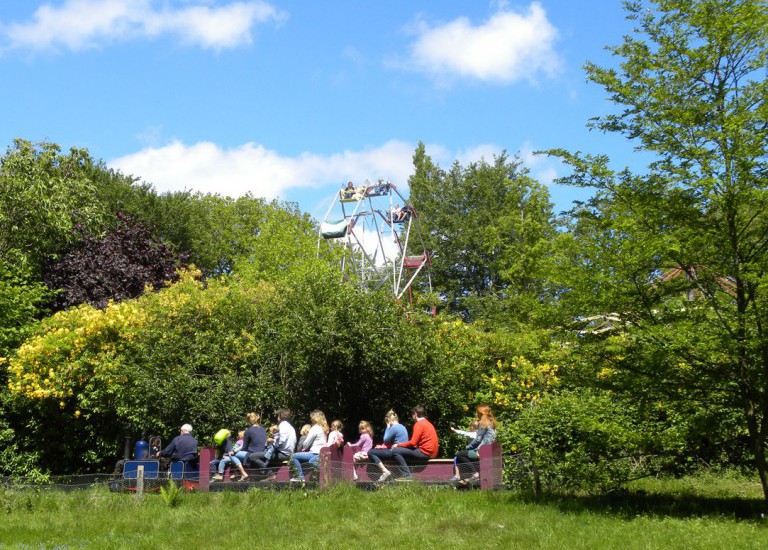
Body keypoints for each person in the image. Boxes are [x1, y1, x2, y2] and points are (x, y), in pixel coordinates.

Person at [385, 405, 439, 481]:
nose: (412, 417)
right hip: (431, 453)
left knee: (396, 451)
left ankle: (407, 475)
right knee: (405, 449)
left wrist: (397, 445)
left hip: (424, 453)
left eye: (412, 415)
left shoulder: (419, 424)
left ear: (415, 414)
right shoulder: (428, 423)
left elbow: (413, 443)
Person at [453, 405, 497, 484]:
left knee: (460, 454)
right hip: (490, 451)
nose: (477, 415)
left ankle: (474, 474)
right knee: (465, 453)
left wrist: (468, 447)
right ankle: (469, 478)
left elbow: (478, 439)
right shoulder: (492, 423)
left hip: (482, 452)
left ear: (481, 413)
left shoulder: (483, 423)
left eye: (477, 413)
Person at [367, 410, 410, 481]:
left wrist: (387, 426)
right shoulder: (403, 427)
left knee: (371, 452)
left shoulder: (394, 427)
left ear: (388, 420)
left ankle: (385, 471)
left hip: (395, 452)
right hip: (403, 451)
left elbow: (385, 439)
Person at [291, 410, 328, 483]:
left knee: (293, 456)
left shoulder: (315, 428)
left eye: (311, 418)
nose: (311, 419)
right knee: (311, 460)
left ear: (315, 418)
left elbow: (306, 444)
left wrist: (304, 446)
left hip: (315, 453)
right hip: (322, 453)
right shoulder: (324, 428)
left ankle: (300, 477)